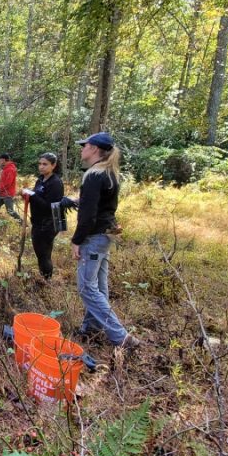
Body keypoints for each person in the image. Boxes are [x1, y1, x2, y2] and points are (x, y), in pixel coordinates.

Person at [70, 133, 136, 348]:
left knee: (86, 288)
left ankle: (120, 337)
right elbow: (100, 205)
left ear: (95, 149)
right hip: (105, 235)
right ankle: (91, 328)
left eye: (85, 146)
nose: (82, 149)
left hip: (94, 236)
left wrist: (77, 240)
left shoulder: (94, 175)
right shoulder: (109, 174)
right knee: (98, 285)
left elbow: (89, 215)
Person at [21, 152, 66, 280]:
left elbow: (49, 206)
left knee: (44, 254)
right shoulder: (40, 180)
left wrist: (33, 196)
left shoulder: (55, 183)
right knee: (40, 253)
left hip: (48, 224)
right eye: (40, 164)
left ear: (54, 165)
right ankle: (44, 277)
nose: (41, 167)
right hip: (37, 222)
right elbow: (37, 197)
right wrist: (28, 195)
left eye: (45, 164)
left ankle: (47, 280)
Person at [0, 153, 22, 221]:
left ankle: (23, 224)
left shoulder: (10, 169)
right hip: (2, 194)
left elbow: (7, 183)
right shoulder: (5, 169)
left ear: (3, 160)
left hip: (7, 194)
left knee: (10, 211)